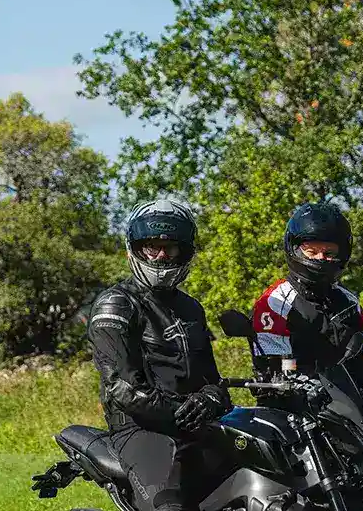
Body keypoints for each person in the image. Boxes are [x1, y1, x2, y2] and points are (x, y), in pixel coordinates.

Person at [88, 199, 232, 511]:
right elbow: (124, 388)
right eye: (152, 247)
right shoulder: (116, 305)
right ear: (135, 249)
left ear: (186, 251)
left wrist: (210, 398)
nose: (161, 256)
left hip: (197, 425)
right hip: (141, 429)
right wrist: (181, 410)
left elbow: (212, 379)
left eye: (171, 248)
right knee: (170, 505)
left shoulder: (191, 308)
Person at [249, 202, 363, 406]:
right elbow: (276, 367)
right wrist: (306, 382)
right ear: (294, 250)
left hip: (351, 410)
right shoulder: (275, 303)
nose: (321, 259)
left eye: (329, 253)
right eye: (312, 252)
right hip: (296, 413)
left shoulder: (348, 302)